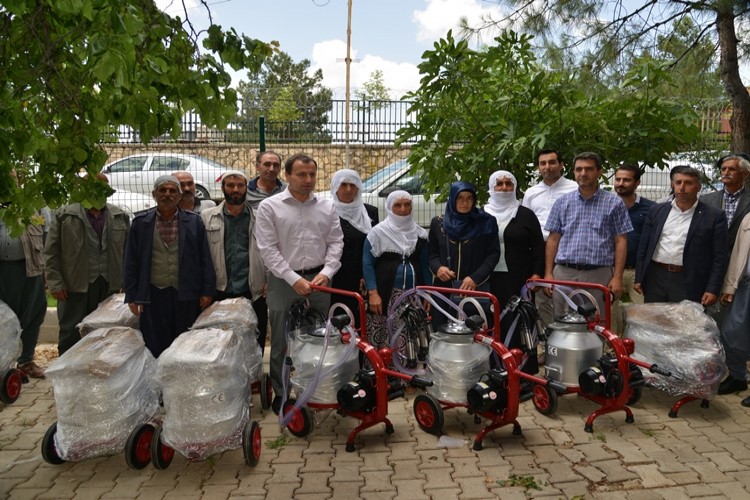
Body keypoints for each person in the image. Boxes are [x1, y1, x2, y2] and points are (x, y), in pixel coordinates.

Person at [255, 154, 343, 414]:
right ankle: (282, 395)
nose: (308, 180)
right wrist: (294, 279)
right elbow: (267, 249)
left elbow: (336, 242)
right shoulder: (270, 207)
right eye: (301, 175)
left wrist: (327, 272)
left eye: (312, 175)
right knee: (281, 341)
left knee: (316, 340)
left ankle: (312, 391)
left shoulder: (327, 206)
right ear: (287, 176)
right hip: (285, 281)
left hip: (319, 282)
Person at [123, 175, 216, 358]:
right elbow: (131, 260)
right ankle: (157, 383)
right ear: (154, 194)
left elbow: (205, 257)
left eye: (173, 191)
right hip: (153, 293)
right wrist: (132, 295)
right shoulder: (141, 223)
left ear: (180, 196)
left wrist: (207, 291)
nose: (168, 194)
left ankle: (181, 383)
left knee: (185, 343)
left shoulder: (194, 222)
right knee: (155, 343)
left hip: (187, 293)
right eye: (163, 190)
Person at [45, 173, 131, 355]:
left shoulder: (119, 216)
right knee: (71, 330)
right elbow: (51, 252)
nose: (97, 192)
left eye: (102, 188)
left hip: (109, 285)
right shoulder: (65, 215)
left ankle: (98, 372)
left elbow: (128, 253)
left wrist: (127, 283)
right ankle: (67, 374)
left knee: (105, 329)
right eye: (92, 187)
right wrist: (56, 282)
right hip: (74, 284)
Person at [545, 152, 633, 320]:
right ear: (573, 172)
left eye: (589, 169)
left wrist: (617, 277)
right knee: (562, 323)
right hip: (564, 273)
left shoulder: (614, 203)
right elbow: (553, 239)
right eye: (579, 169)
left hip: (598, 274)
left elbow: (620, 241)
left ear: (599, 172)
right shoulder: (562, 202)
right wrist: (549, 273)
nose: (583, 174)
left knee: (596, 324)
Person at [634, 167, 727, 305]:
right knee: (654, 323)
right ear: (673, 185)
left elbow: (720, 258)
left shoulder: (714, 216)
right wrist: (639, 277)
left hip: (689, 280)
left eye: (688, 183)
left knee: (685, 324)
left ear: (698, 187)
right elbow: (644, 246)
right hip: (656, 276)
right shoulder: (657, 210)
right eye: (678, 182)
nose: (682, 187)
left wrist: (712, 289)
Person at [201, 170, 267, 351]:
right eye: (230, 185)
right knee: (219, 343)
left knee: (254, 341)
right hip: (219, 290)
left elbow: (270, 250)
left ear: (246, 188)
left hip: (252, 290)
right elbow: (201, 254)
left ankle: (253, 378)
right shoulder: (207, 217)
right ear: (223, 188)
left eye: (240, 185)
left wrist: (268, 279)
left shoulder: (260, 217)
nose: (235, 189)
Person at [363, 191, 430, 353]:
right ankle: (380, 374)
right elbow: (367, 263)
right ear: (389, 207)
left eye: (407, 204)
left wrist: (428, 292)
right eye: (398, 205)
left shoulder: (420, 234)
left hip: (413, 296)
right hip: (385, 296)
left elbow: (425, 264)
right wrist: (373, 293)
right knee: (382, 335)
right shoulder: (378, 233)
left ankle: (406, 375)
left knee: (409, 336)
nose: (403, 209)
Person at [428, 181, 499, 328]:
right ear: (452, 199)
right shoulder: (438, 223)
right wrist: (438, 268)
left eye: (469, 198)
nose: (465, 202)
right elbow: (432, 254)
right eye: (460, 198)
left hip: (473, 289)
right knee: (442, 333)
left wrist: (475, 278)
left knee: (474, 334)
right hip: (444, 290)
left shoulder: (486, 222)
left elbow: (493, 255)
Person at [0, 171, 49, 379]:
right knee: (3, 319)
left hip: (31, 269)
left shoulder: (34, 203)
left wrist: (47, 271)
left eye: (11, 176)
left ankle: (26, 361)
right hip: (3, 270)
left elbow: (48, 236)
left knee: (33, 313)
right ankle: (5, 366)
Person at [521, 149, 577, 324]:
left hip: (566, 251)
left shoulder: (575, 189)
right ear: (538, 167)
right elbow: (526, 223)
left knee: (567, 297)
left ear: (561, 165)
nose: (547, 167)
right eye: (543, 163)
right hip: (539, 250)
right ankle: (547, 341)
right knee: (542, 299)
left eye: (552, 162)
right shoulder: (531, 193)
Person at [329, 169, 379, 324]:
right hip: (334, 276)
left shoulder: (370, 212)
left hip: (361, 277)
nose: (348, 189)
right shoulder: (327, 211)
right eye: (343, 185)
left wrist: (368, 277)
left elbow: (375, 247)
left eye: (353, 185)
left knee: (359, 322)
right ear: (335, 186)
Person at [612, 164, 654, 333]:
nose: (621, 183)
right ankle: (612, 350)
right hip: (612, 269)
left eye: (626, 180)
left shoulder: (650, 208)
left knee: (641, 314)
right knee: (610, 312)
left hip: (639, 271)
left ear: (637, 183)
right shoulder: (607, 205)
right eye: (618, 179)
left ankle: (637, 353)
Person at [717, 211, 750, 401]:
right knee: (731, 333)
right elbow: (737, 254)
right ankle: (737, 377)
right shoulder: (748, 219)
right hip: (744, 286)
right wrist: (730, 286)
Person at [700, 154, 750, 252]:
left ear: (745, 174)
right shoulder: (706, 200)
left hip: (743, 255)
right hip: (712, 257)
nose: (726, 173)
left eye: (732, 169)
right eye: (723, 169)